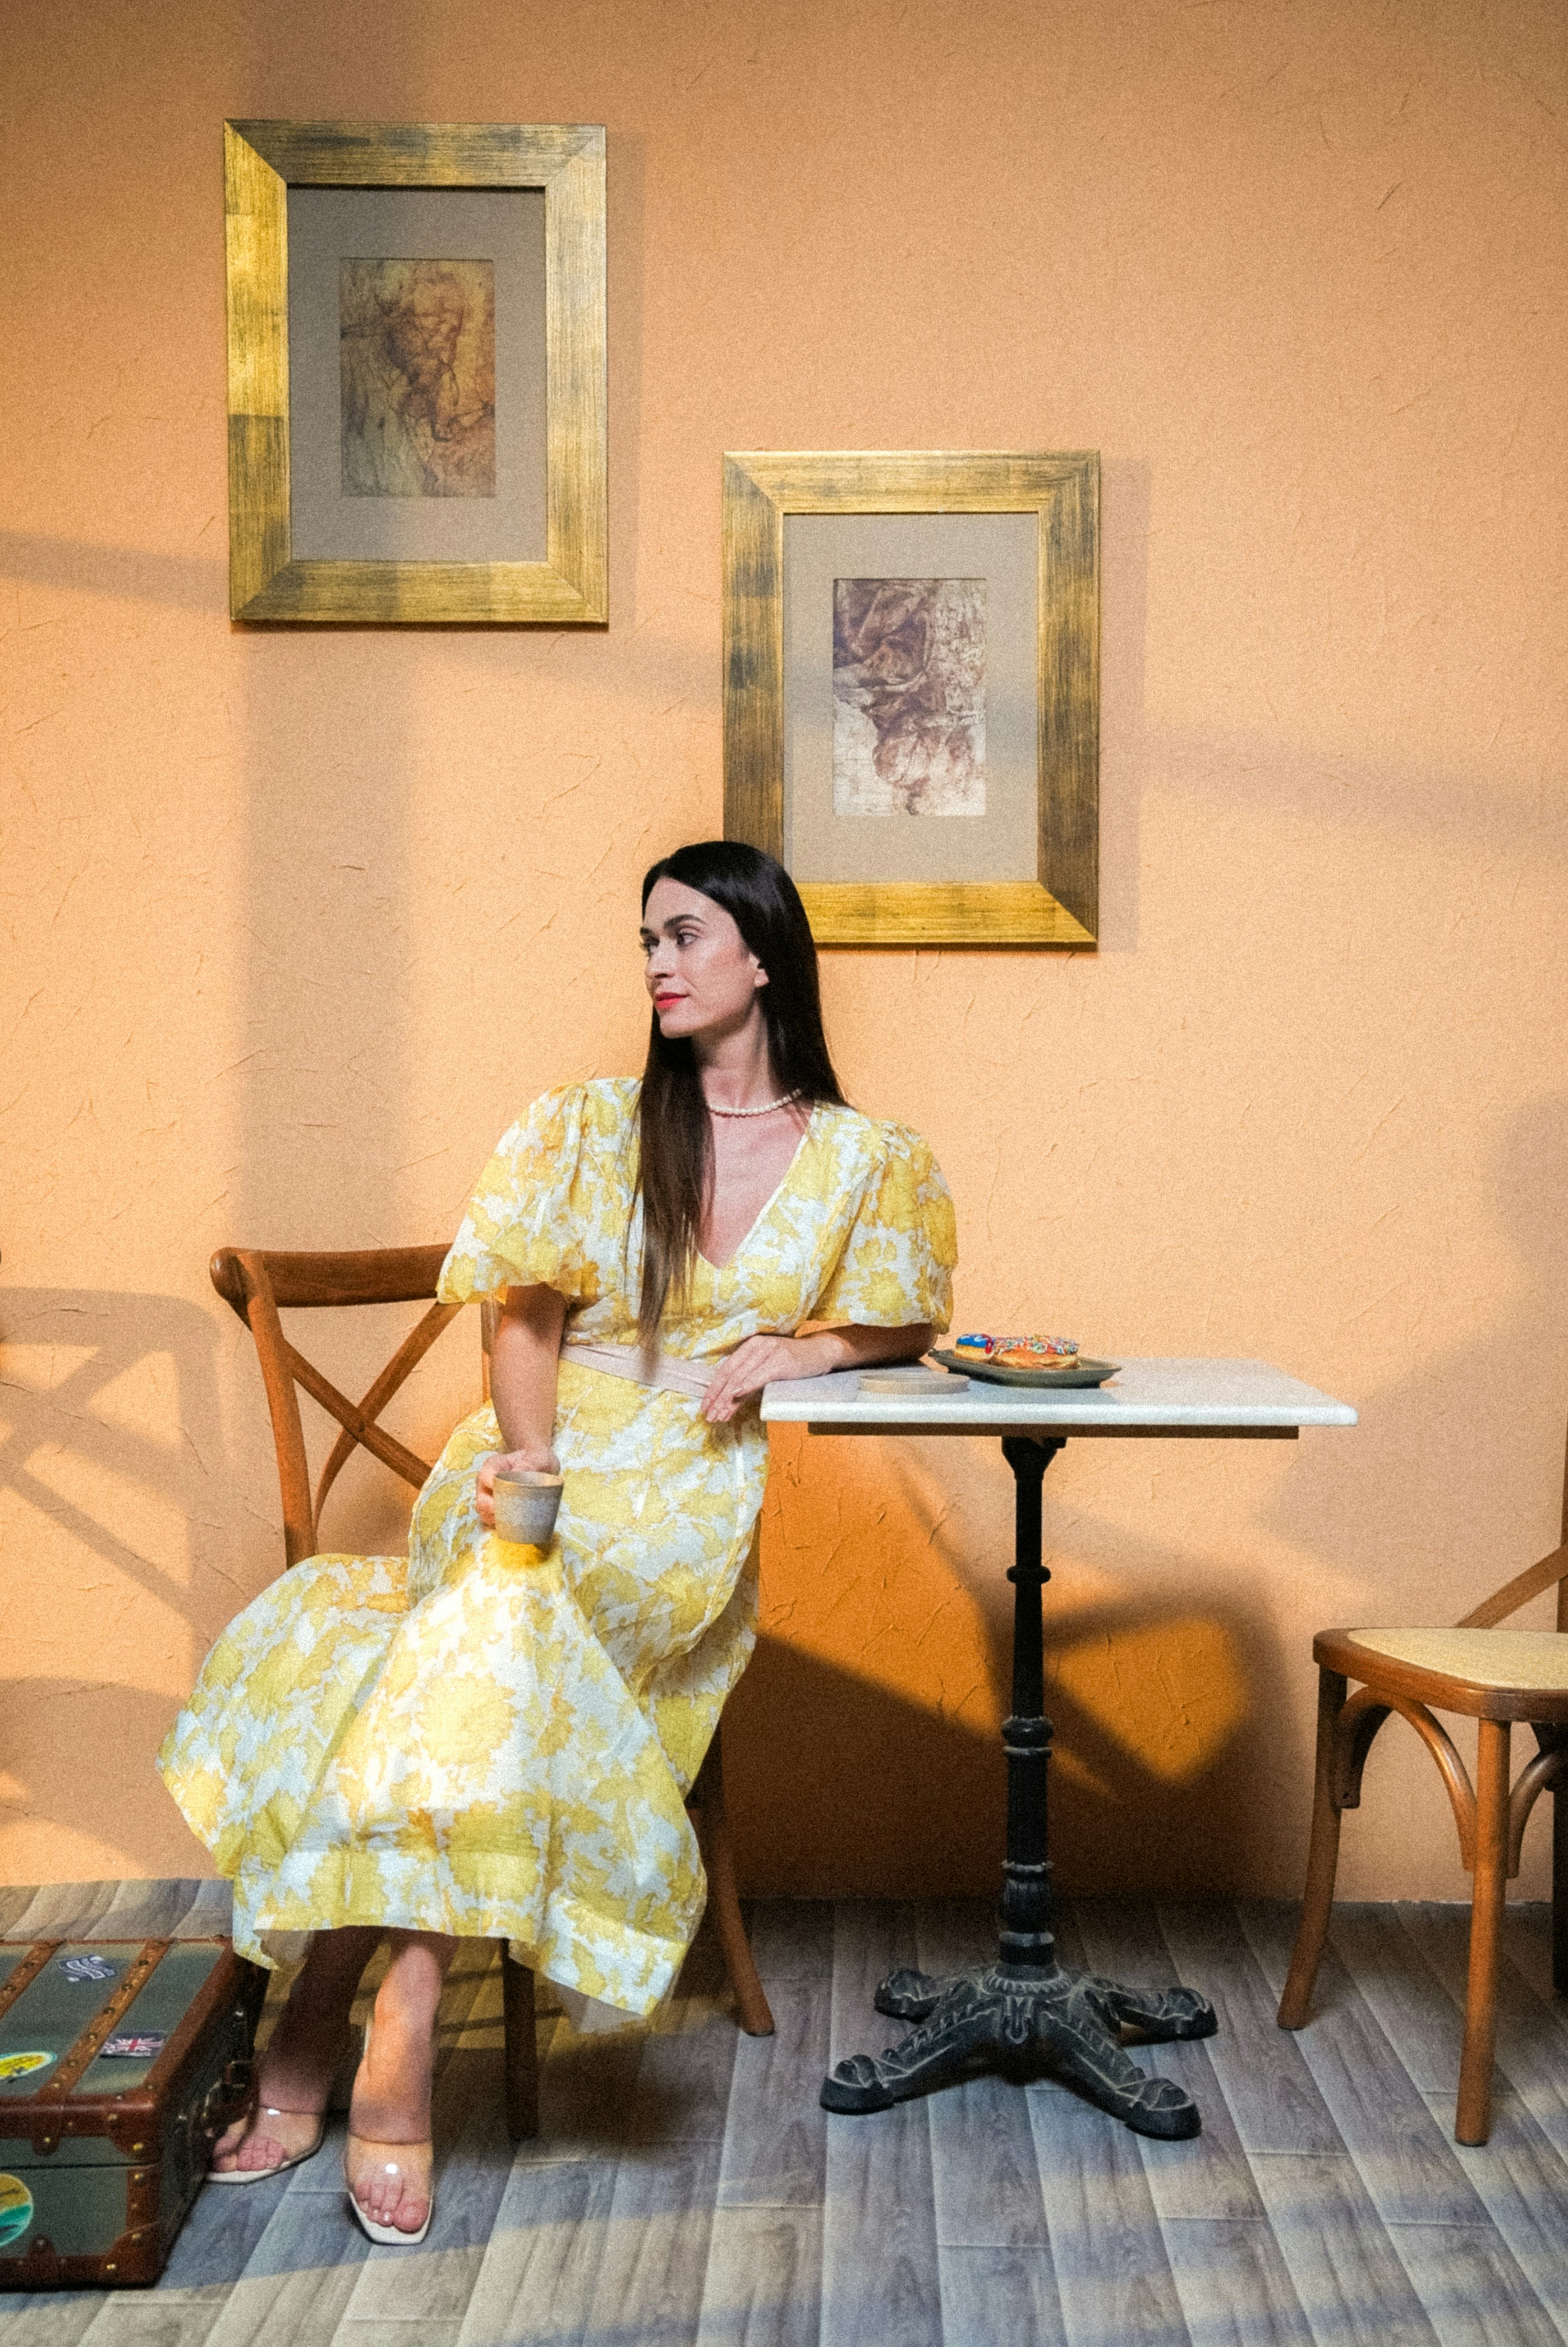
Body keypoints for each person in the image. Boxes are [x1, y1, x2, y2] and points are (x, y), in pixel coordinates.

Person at [158, 841, 956, 2241]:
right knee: (502, 1608)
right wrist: (531, 1463)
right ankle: (396, 2034)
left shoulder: (863, 1158)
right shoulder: (589, 1127)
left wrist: (798, 1346)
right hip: (542, 1457)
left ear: (764, 957)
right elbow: (520, 1323)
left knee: (477, 1643)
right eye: (644, 937)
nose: (655, 960)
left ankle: (324, 2012)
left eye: (685, 934)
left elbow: (906, 1314)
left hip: (686, 1501)